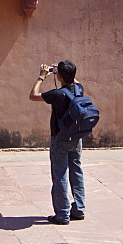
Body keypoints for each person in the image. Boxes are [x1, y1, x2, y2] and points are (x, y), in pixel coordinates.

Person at [29, 60, 86, 224]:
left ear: (59, 76)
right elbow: (75, 81)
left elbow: (33, 95)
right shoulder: (79, 89)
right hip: (76, 137)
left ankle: (62, 215)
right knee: (76, 172)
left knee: (60, 174)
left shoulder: (57, 94)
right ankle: (79, 209)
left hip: (60, 138)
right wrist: (65, 72)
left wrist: (42, 77)